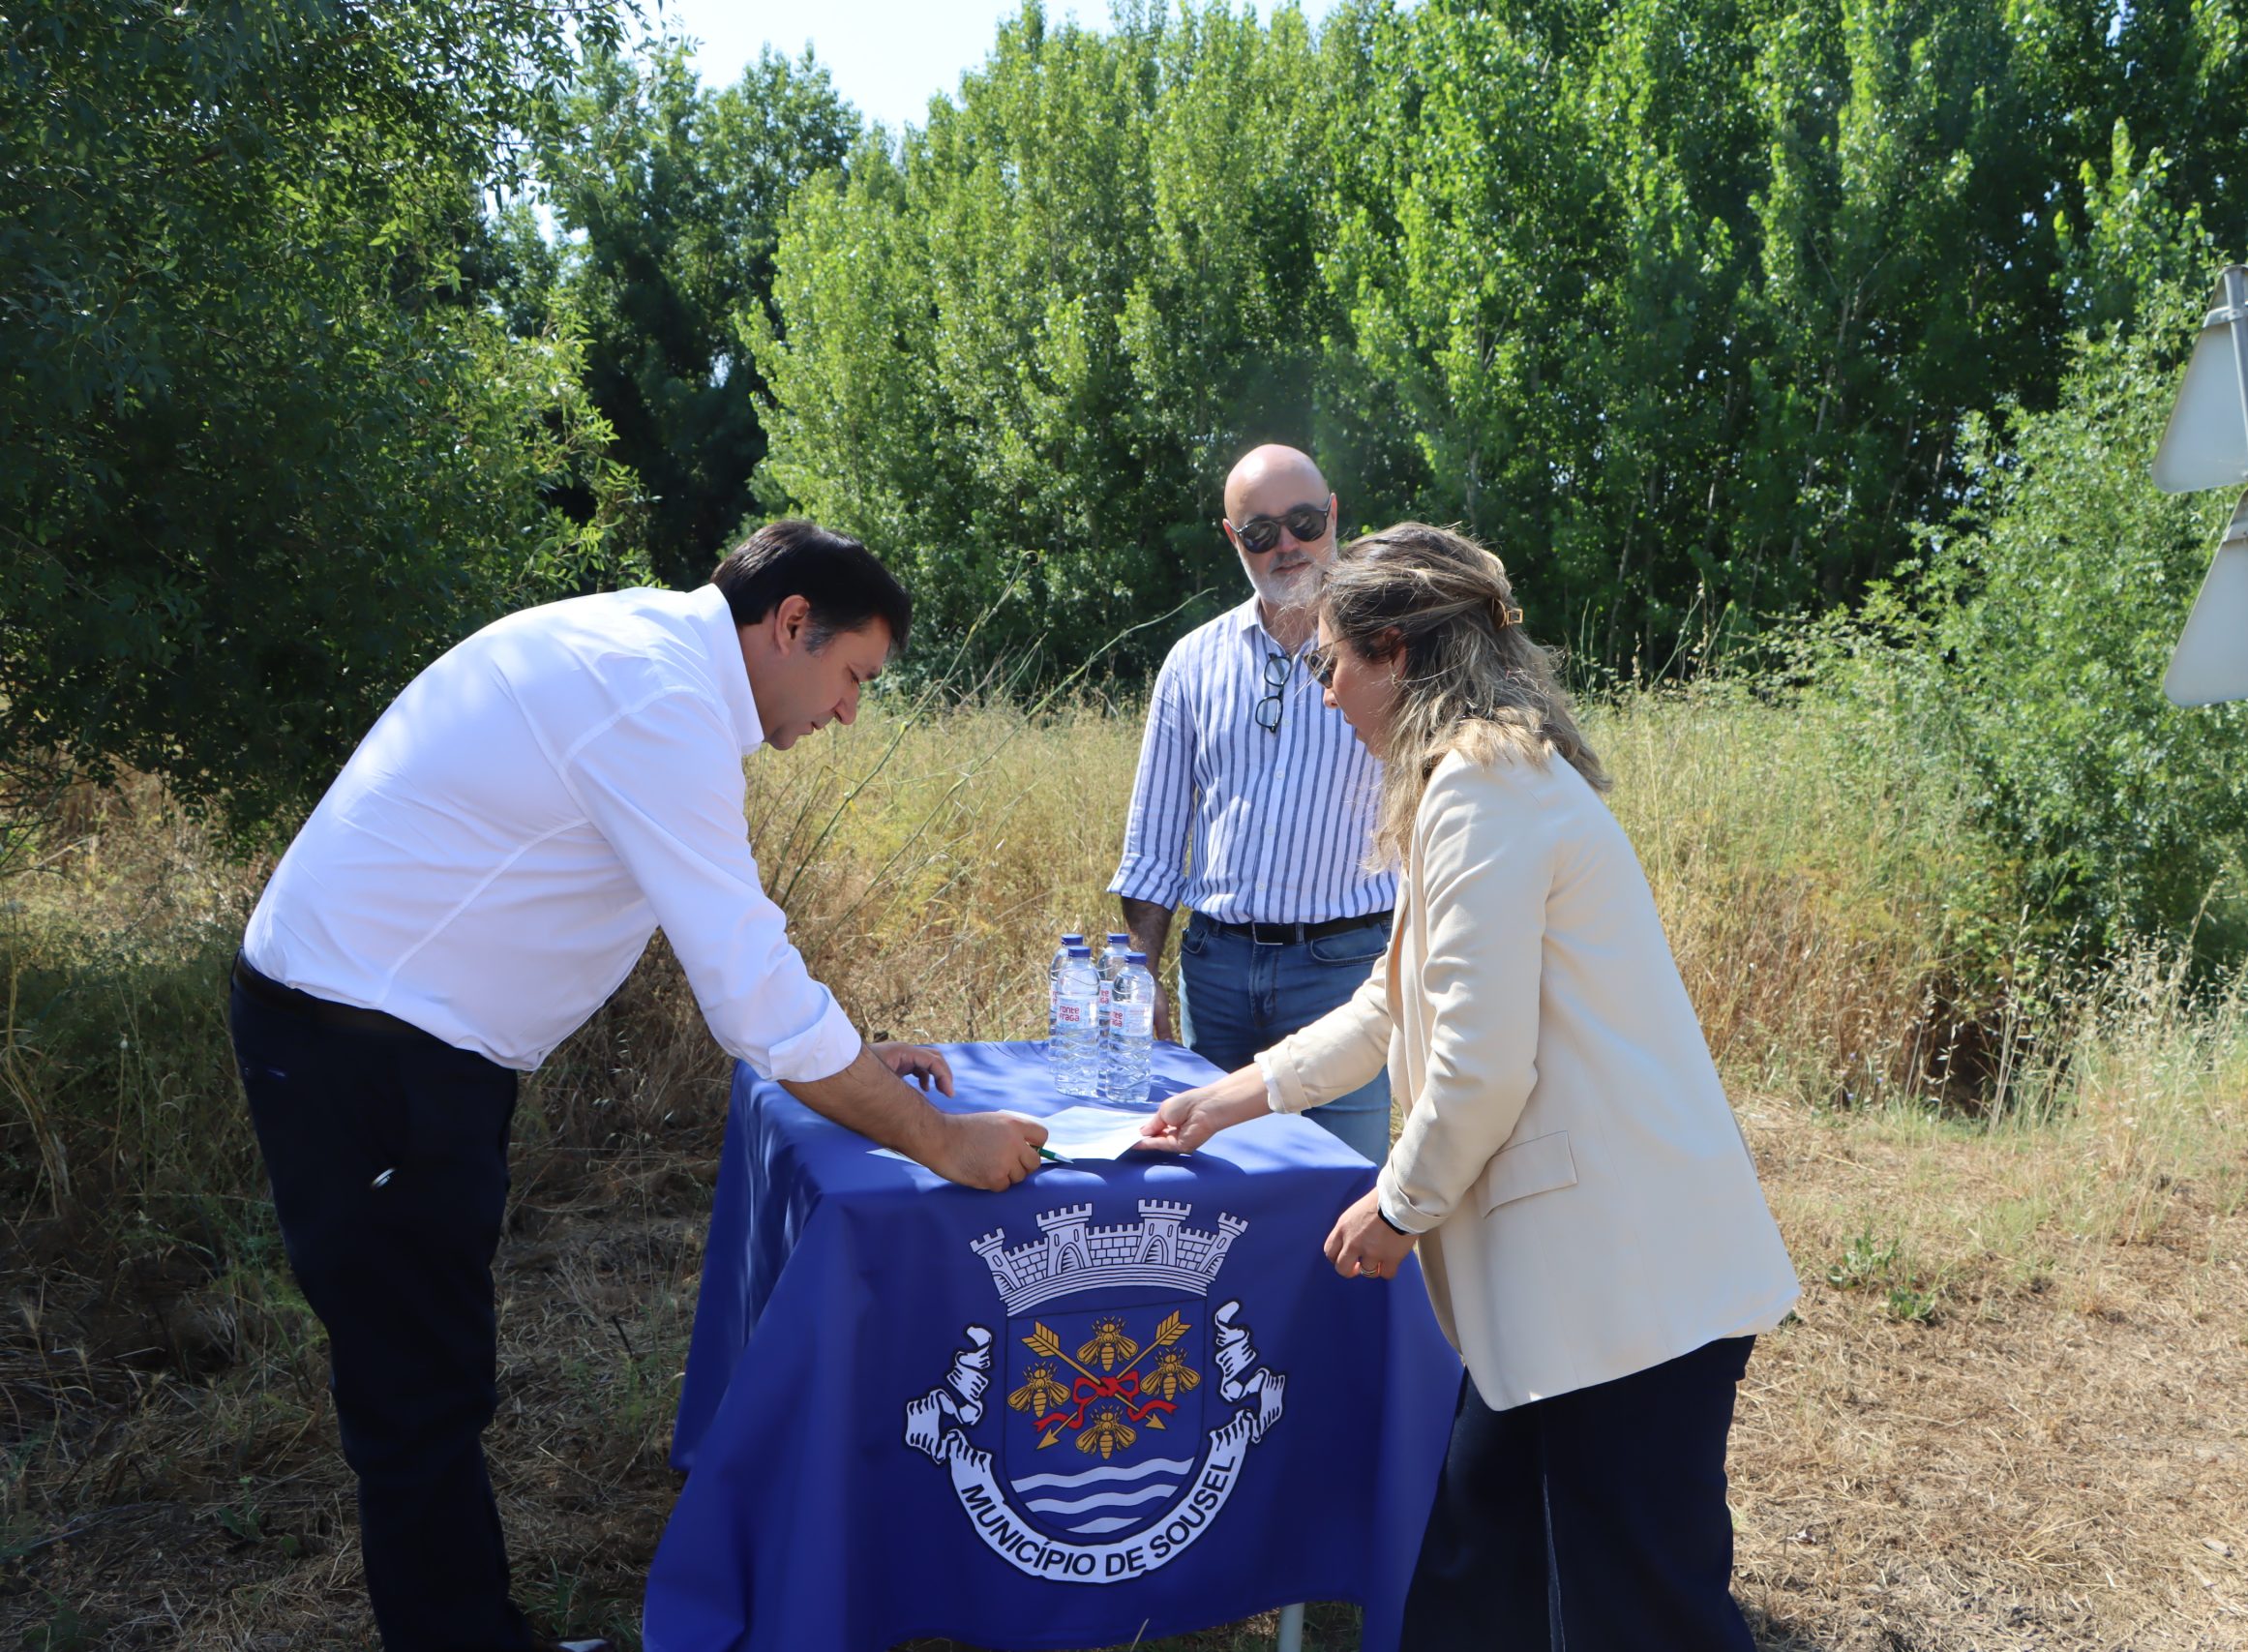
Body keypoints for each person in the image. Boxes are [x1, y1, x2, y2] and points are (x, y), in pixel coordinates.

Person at [227, 522, 1048, 1652]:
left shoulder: (649, 660)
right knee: (417, 1391)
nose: (850, 712)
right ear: (791, 622)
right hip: (369, 1050)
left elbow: (731, 928)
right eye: (853, 676)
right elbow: (752, 993)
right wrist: (942, 1142)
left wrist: (855, 1057)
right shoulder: (652, 698)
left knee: (433, 1370)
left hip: (392, 1039)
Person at [1135, 524, 1802, 1649]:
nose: (1327, 692)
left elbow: (1481, 1066)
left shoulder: (1482, 790)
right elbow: (1395, 1004)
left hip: (1620, 1287)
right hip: (1577, 1292)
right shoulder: (1477, 779)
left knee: (1640, 1604)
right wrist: (1235, 1094)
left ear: (1394, 652)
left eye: (1331, 663)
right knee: (1474, 1570)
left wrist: (1398, 1206)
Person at [1109, 443, 1396, 1161]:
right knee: (1213, 1191)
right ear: (1235, 539)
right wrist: (1143, 973)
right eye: (1262, 532)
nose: (1287, 545)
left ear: (1333, 516)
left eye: (1303, 520)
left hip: (1346, 971)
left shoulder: (1393, 653)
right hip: (1217, 972)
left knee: (1337, 1188)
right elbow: (1153, 845)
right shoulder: (1191, 662)